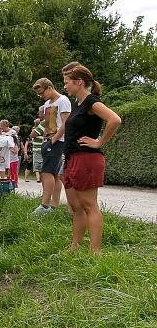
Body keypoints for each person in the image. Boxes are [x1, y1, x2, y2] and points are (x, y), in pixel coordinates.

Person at [63, 65, 121, 255]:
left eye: (67, 82)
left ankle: (95, 252)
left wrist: (99, 142)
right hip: (72, 158)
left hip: (87, 159)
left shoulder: (91, 102)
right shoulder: (77, 104)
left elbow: (114, 119)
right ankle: (76, 246)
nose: (65, 86)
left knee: (89, 206)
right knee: (75, 206)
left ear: (79, 82)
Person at [31, 78, 72, 215]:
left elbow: (66, 123)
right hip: (48, 140)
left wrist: (54, 139)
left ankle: (44, 205)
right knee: (54, 174)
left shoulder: (63, 101)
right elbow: (49, 124)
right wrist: (45, 139)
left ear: (49, 88)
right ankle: (54, 206)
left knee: (46, 172)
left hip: (58, 141)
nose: (40, 96)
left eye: (41, 93)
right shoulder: (48, 103)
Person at [30, 107, 45, 182]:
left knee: (39, 168)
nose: (38, 115)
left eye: (39, 113)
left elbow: (32, 135)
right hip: (44, 148)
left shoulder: (44, 123)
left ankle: (39, 179)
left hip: (38, 149)